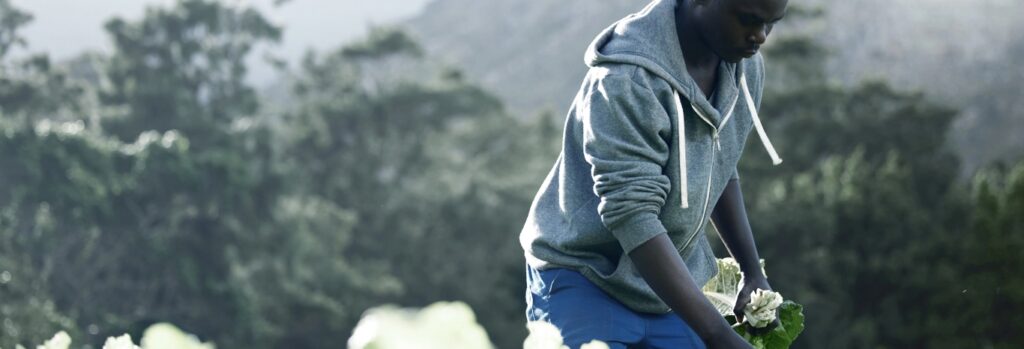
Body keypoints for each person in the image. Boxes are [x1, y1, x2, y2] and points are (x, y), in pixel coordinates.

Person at [519, 0, 788, 347]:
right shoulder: (627, 79)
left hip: (669, 288)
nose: (761, 37)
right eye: (749, 20)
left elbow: (718, 167)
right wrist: (718, 334)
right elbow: (633, 214)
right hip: (585, 278)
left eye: (771, 24)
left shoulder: (744, 69)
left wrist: (753, 272)